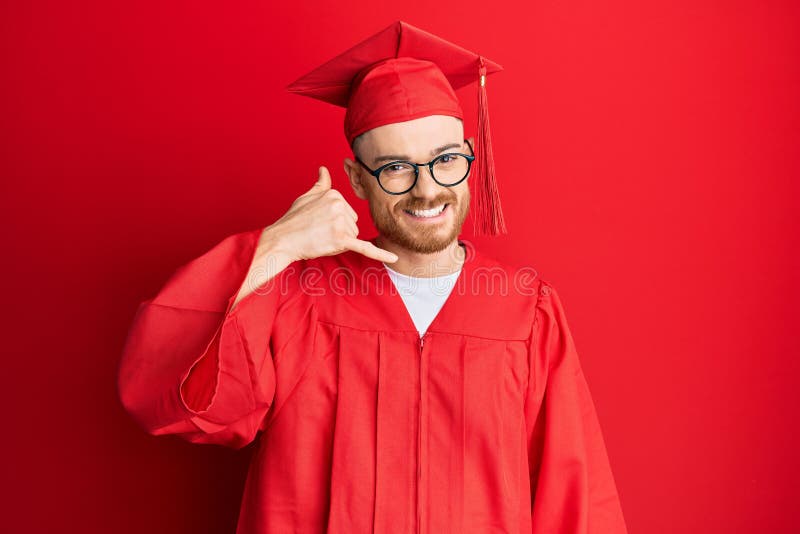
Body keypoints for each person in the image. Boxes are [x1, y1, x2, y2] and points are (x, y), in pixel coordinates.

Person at [117, 20, 629, 534]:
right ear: (357, 178)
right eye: (396, 168)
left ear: (470, 161)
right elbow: (180, 404)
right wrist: (274, 247)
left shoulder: (526, 311)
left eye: (445, 160)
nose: (427, 190)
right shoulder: (299, 300)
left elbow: (574, 495)